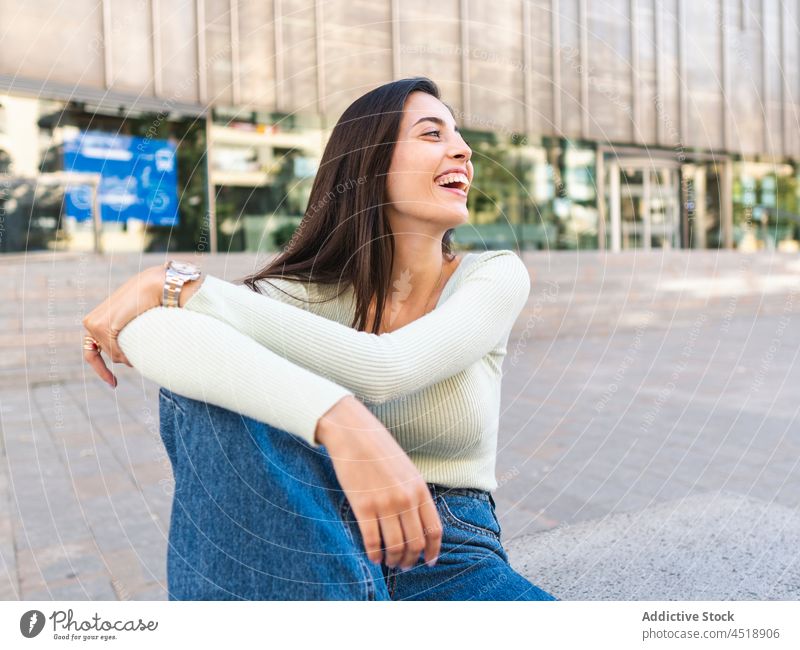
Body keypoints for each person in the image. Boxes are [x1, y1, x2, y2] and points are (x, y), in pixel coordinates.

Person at [82, 76, 558, 601]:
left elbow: (387, 368)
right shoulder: (297, 296)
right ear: (367, 163)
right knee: (213, 395)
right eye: (431, 134)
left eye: (459, 137)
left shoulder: (490, 275)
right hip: (306, 536)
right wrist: (340, 420)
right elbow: (154, 332)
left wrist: (175, 286)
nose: (463, 151)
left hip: (446, 555)